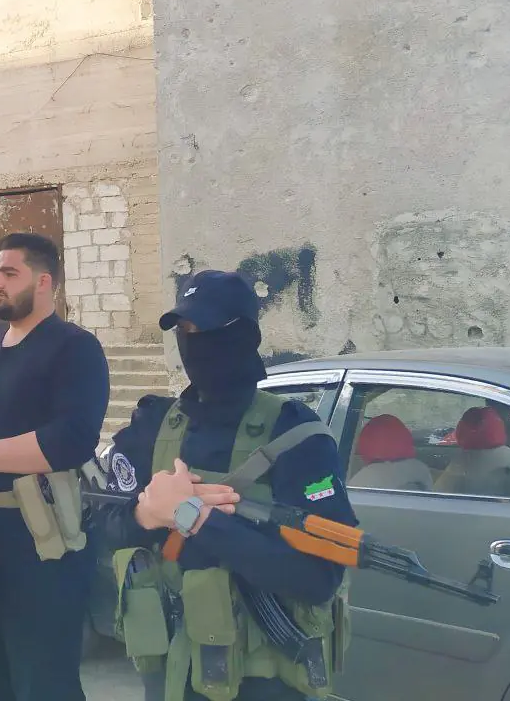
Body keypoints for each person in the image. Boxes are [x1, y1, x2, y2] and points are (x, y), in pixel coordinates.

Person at [95, 269, 357, 701]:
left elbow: (320, 576)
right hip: (171, 675)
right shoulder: (154, 425)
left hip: (265, 680)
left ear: (244, 336)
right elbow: (105, 526)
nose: (194, 342)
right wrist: (146, 513)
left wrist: (192, 516)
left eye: (208, 329)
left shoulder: (295, 435)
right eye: (184, 330)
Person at [0, 232, 110, 701]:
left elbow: (71, 439)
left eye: (10, 273)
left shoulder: (75, 348)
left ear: (44, 281)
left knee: (42, 678)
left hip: (43, 540)